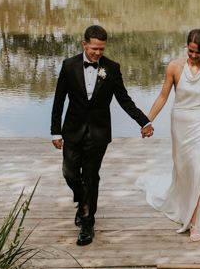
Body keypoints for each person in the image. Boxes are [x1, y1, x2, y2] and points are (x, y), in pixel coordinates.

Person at [51, 25, 152, 246]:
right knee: (69, 173)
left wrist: (143, 121)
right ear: (84, 44)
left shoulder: (112, 69)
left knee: (90, 176)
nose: (98, 53)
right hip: (72, 130)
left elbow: (124, 99)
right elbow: (59, 101)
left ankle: (87, 224)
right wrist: (55, 132)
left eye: (101, 49)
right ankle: (82, 198)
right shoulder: (69, 66)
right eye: (94, 48)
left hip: (98, 133)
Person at [138, 29, 200, 242]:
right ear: (186, 47)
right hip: (180, 122)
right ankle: (184, 206)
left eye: (197, 52)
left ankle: (195, 221)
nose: (193, 55)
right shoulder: (174, 67)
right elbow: (163, 96)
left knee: (198, 169)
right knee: (183, 169)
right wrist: (146, 120)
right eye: (190, 51)